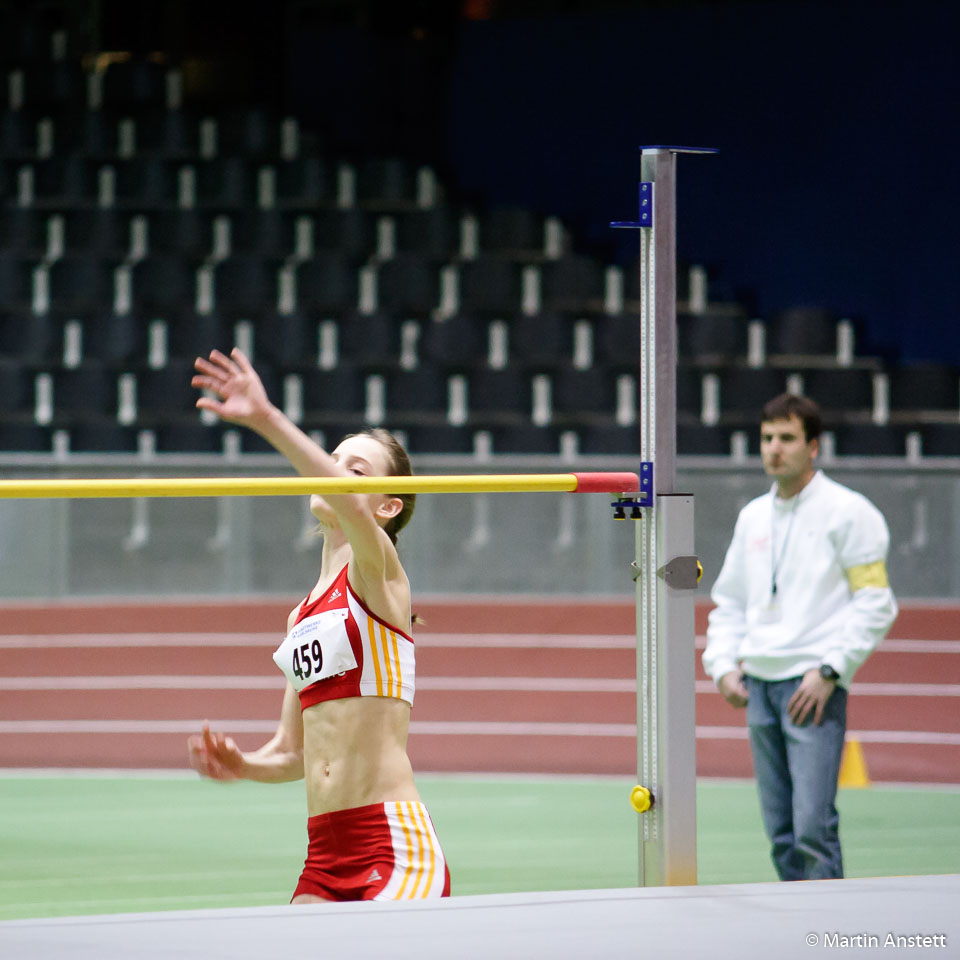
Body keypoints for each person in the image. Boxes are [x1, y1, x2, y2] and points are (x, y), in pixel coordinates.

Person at [186, 347, 450, 902]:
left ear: (387, 507)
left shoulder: (378, 575)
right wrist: (243, 765)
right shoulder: (301, 615)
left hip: (391, 843)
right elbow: (292, 753)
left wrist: (266, 419)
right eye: (332, 461)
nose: (332, 473)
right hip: (325, 852)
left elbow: (350, 510)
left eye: (353, 471)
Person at [702, 393, 897, 881]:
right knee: (782, 834)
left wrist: (831, 669)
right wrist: (722, 663)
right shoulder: (752, 517)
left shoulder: (850, 513)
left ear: (813, 447)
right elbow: (730, 600)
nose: (774, 448)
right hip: (759, 688)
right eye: (767, 438)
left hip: (812, 687)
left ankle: (827, 937)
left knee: (813, 829)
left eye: (786, 438)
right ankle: (797, 933)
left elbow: (876, 602)